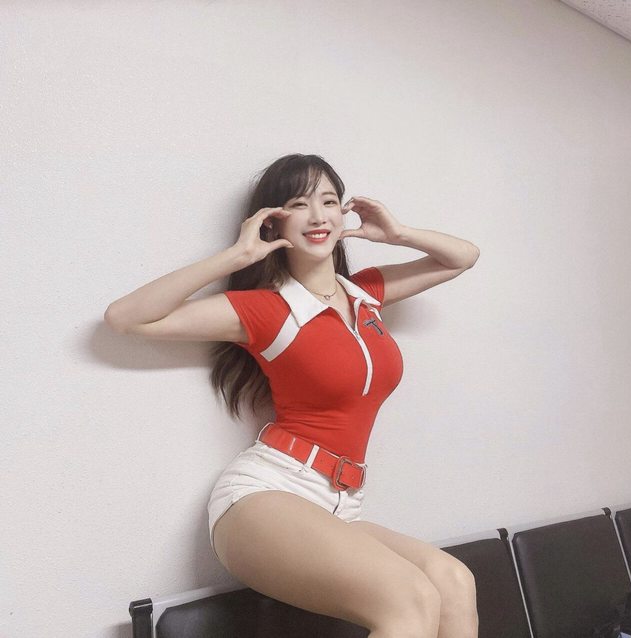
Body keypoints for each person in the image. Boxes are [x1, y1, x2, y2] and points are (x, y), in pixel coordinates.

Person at [104, 153, 480, 638]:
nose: (318, 216)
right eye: (300, 204)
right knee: (411, 598)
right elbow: (126, 318)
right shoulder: (267, 309)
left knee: (453, 581)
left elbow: (463, 256)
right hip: (268, 494)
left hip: (339, 505)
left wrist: (398, 233)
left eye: (329, 201)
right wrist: (237, 257)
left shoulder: (365, 294)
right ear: (274, 220)